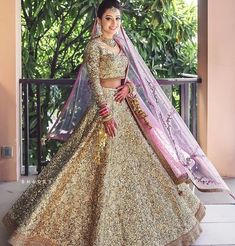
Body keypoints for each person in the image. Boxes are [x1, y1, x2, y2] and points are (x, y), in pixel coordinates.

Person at [2, 0, 234, 245]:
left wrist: (129, 87)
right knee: (85, 166)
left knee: (140, 165)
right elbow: (94, 81)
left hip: (124, 108)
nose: (114, 23)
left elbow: (126, 77)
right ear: (99, 21)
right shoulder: (94, 46)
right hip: (105, 110)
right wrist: (105, 112)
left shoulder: (120, 46)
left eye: (117, 19)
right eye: (109, 18)